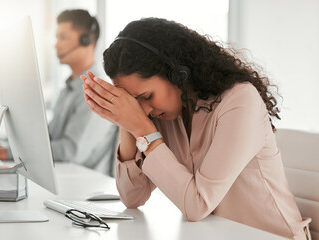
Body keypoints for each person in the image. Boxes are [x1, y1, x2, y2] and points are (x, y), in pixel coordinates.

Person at [80, 18, 312, 239]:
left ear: (177, 73)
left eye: (146, 96)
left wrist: (140, 126)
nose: (145, 110)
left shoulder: (239, 101)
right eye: (133, 101)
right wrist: (127, 120)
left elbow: (197, 204)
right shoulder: (164, 114)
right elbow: (133, 197)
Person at [0, 9, 118, 176]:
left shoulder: (97, 90)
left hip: (82, 184)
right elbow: (48, 138)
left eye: (63, 37)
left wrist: (10, 154)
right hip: (62, 176)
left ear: (86, 40)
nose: (56, 44)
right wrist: (5, 146)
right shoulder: (68, 90)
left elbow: (71, 151)